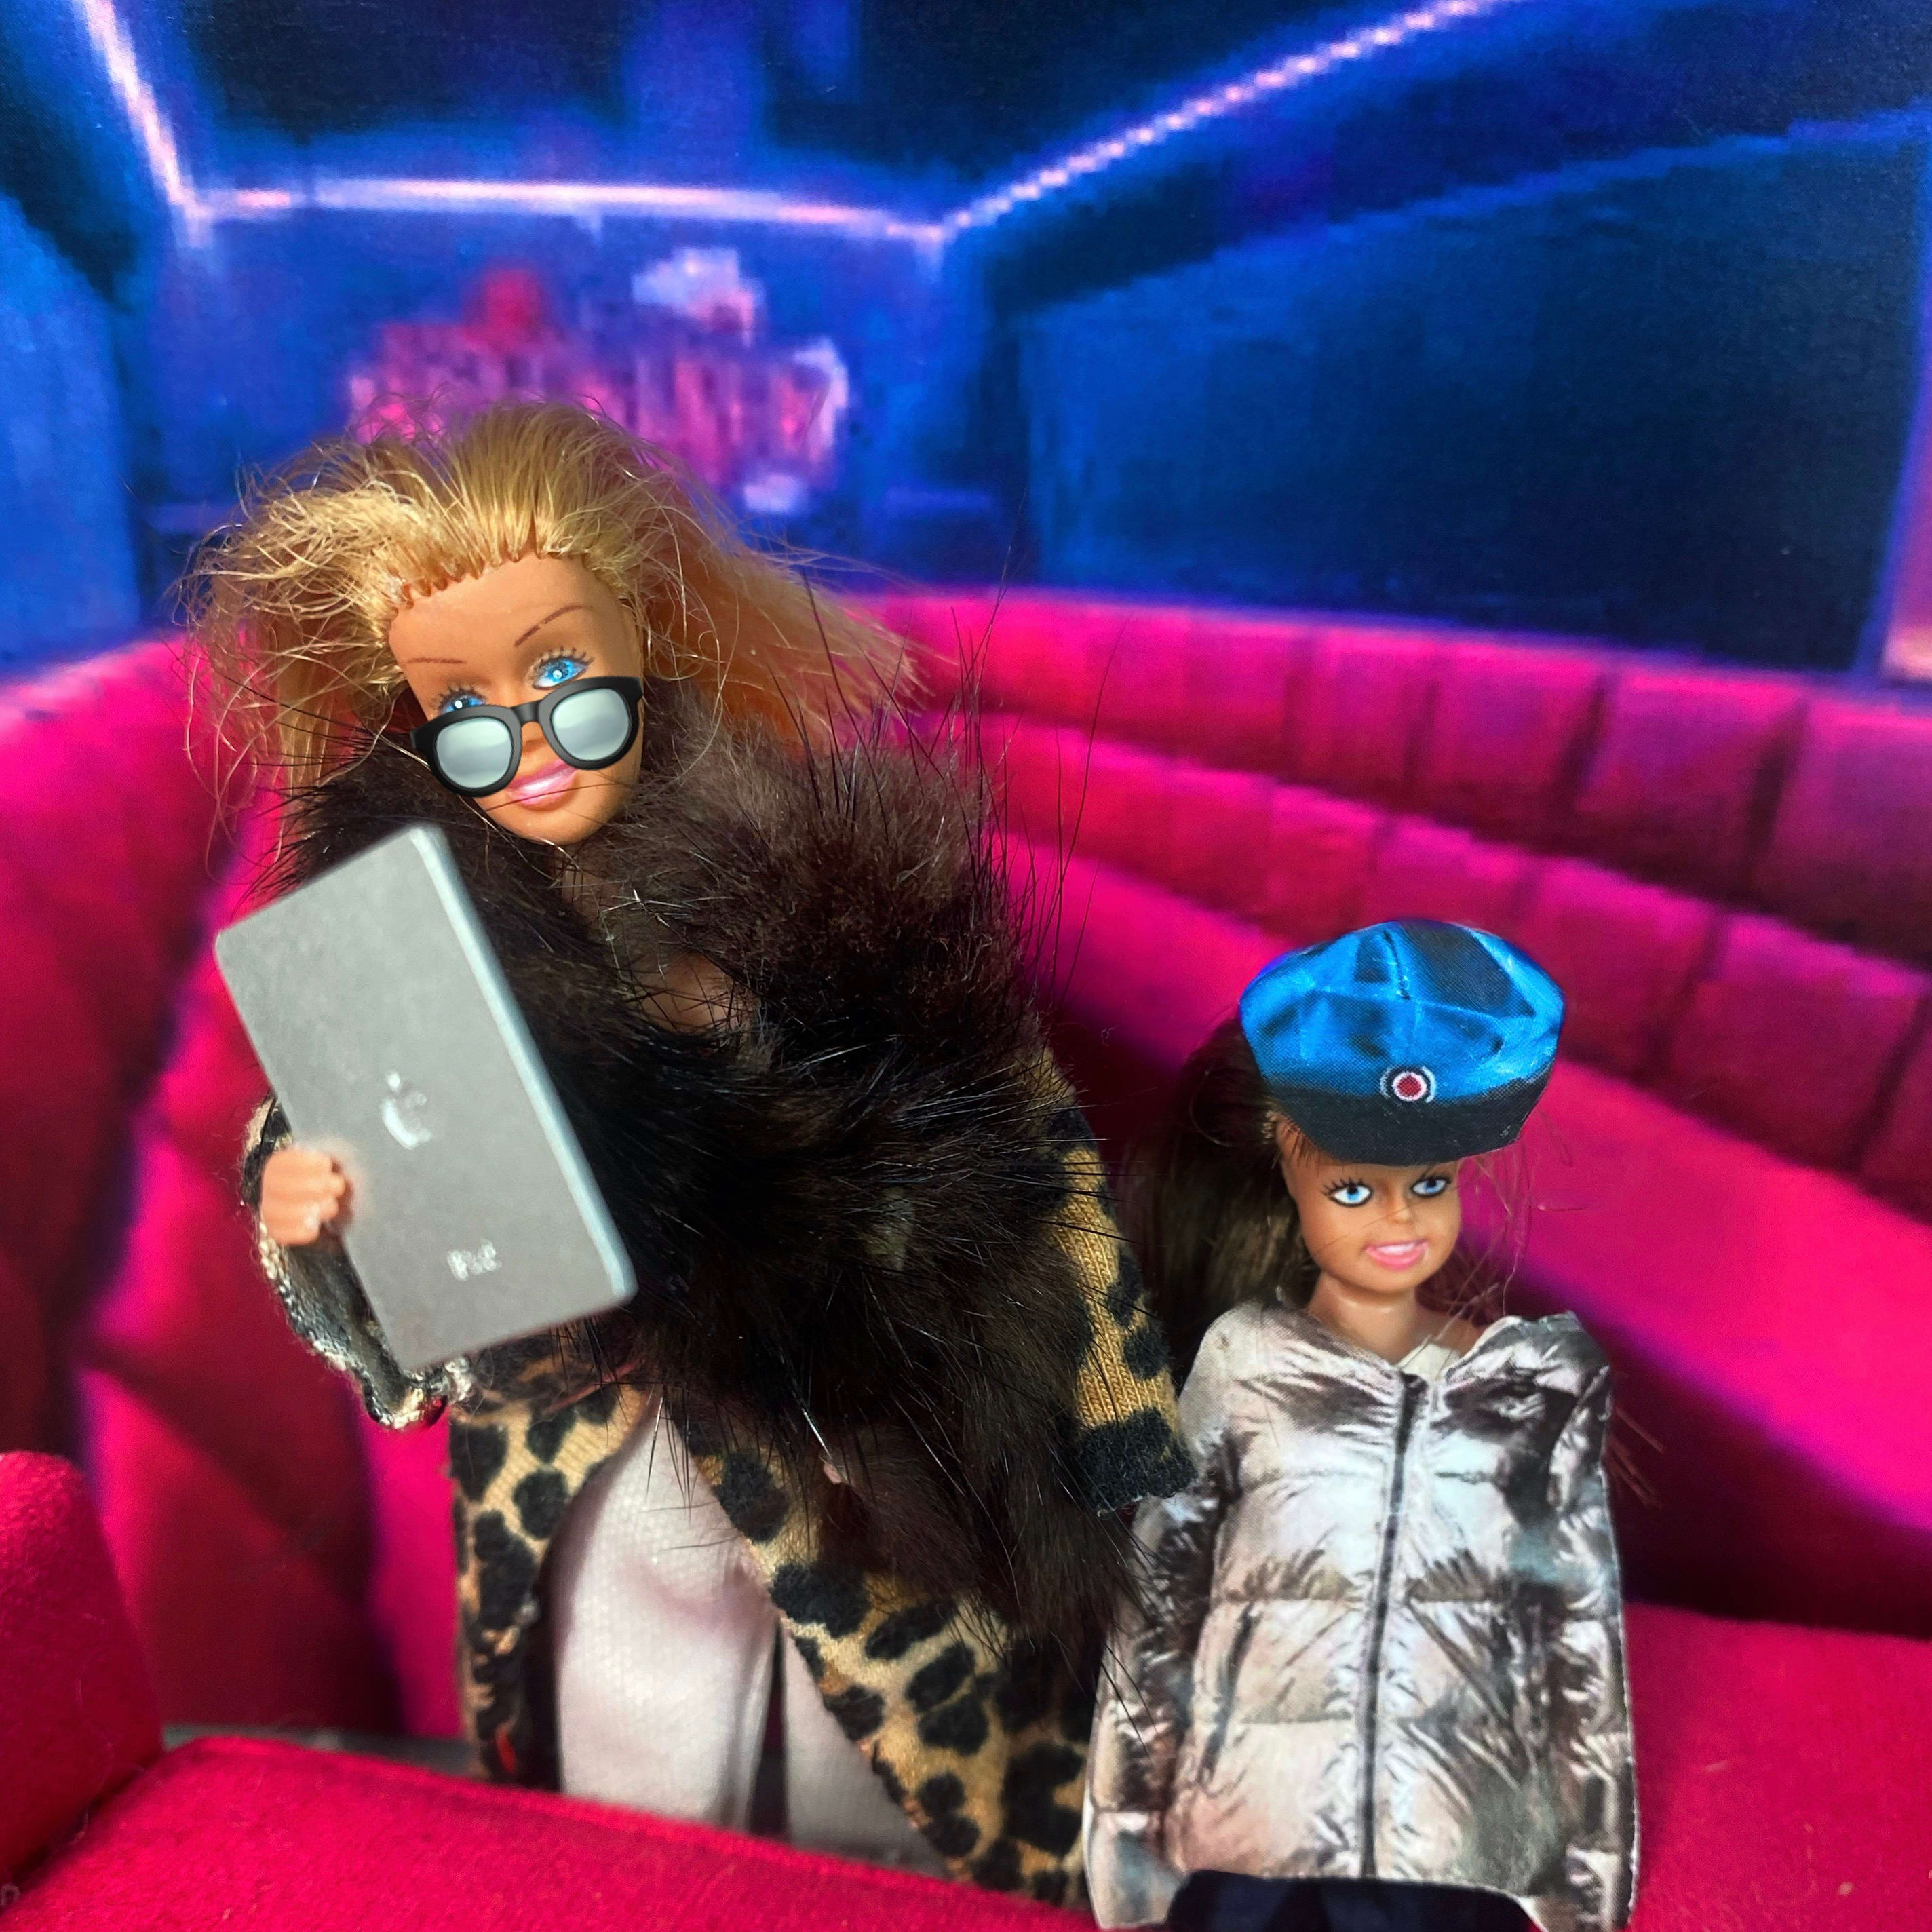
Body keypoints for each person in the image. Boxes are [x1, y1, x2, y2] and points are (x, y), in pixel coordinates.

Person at [192, 399, 1190, 1903]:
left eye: (563, 680)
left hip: (837, 1444)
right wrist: (305, 1193)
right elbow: (364, 1126)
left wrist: (1117, 1432)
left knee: (863, 1808)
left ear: (645, 647)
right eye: (468, 710)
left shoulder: (832, 880)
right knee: (639, 1803)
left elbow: (1028, 1158)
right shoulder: (416, 934)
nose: (529, 745)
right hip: (594, 1453)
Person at [1085, 921, 1636, 1932]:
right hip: (1258, 1847)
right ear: (1287, 1182)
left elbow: (1577, 1635)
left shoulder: (1532, 1390)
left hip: (1458, 1858)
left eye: (1430, 1184)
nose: (1400, 1220)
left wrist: (1591, 1875)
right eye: (1352, 1190)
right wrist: (1127, 1841)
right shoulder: (1246, 1370)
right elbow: (1159, 1611)